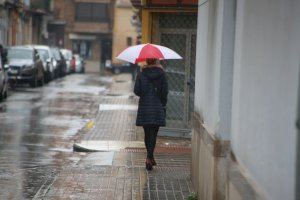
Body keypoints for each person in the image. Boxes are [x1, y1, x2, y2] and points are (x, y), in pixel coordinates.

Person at [134, 58, 168, 171]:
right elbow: (164, 92)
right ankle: (149, 157)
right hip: (157, 107)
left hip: (145, 107)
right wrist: (162, 103)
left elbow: (136, 91)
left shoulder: (141, 74)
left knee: (147, 133)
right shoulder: (162, 74)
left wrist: (144, 92)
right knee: (154, 133)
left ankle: (149, 157)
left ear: (147, 61)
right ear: (156, 61)